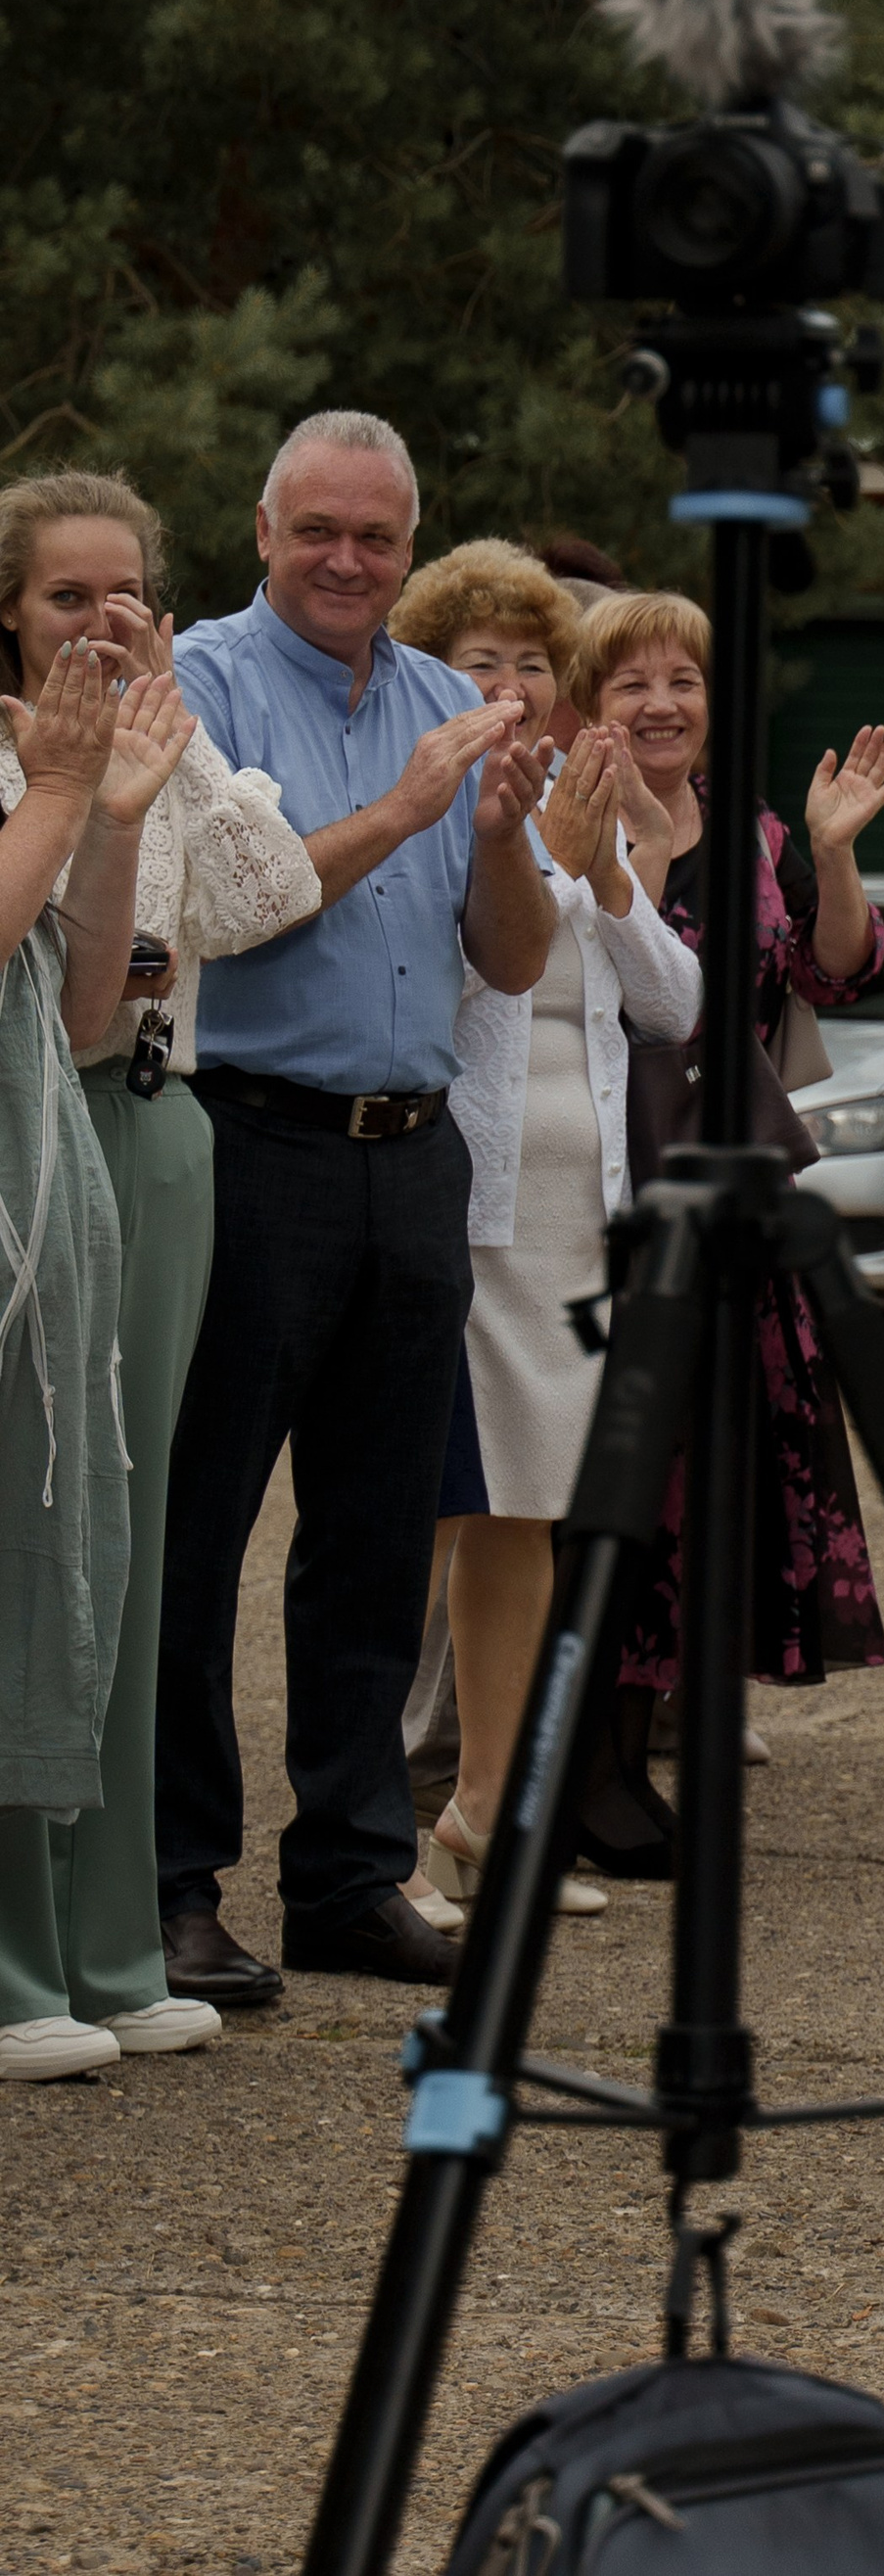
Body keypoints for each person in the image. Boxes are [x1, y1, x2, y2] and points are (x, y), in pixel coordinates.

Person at [157, 411, 555, 2002]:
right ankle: (175, 1880)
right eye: (319, 529)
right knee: (198, 1532)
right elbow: (212, 914)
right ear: (264, 529)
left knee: (378, 1539)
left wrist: (506, 830)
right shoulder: (198, 683)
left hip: (411, 1149)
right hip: (248, 1140)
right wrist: (402, 809)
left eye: (377, 537)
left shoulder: (450, 696)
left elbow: (510, 957)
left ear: (411, 544)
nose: (347, 560)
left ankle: (346, 1871)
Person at [0, 474, 320, 2074]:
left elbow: (245, 913)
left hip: (145, 1123)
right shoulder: (12, 755)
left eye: (126, 594)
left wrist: (148, 772)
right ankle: (19, 1945)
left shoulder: (153, 745)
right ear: (8, 609)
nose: (102, 622)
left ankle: (110, 1935)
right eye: (69, 597)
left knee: (123, 1541)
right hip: (33, 1144)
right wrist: (70, 788)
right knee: (31, 1530)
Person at [387, 540, 698, 1905]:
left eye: (532, 663)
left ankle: (488, 1811)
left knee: (537, 1516)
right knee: (446, 1511)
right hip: (476, 1204)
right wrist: (549, 860)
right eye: (482, 662)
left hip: (583, 1212)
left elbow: (673, 1005)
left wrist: (622, 872)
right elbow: (467, 978)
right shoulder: (427, 796)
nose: (512, 684)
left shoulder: (588, 801)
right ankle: (401, 1805)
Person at [570, 589, 884, 1854]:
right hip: (613, 1193)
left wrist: (833, 847)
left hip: (737, 1205)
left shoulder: (759, 834)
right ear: (591, 702)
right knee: (617, 1483)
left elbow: (833, 971)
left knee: (699, 1491)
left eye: (684, 682)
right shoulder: (574, 823)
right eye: (632, 682)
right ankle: (566, 1772)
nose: (659, 704)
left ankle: (632, 1758)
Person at [0, 634, 198, 2079]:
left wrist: (110, 813)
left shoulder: (40, 765)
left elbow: (76, 1017)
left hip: (50, 1190)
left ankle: (69, 1948)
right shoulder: (34, 771)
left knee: (72, 1550)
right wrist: (64, 796)